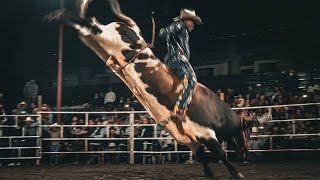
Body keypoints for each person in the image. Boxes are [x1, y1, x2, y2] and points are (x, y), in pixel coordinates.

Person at [159, 8, 202, 115]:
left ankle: (173, 104)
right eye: (192, 21)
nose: (193, 25)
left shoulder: (182, 29)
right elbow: (163, 33)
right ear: (187, 20)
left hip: (178, 59)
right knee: (191, 80)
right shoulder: (180, 25)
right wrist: (174, 26)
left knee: (183, 84)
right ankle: (180, 108)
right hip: (177, 59)